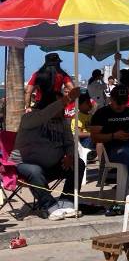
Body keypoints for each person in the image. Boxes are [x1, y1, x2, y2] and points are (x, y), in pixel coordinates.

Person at [11, 85, 83, 220]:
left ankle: (66, 202)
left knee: (78, 163)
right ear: (48, 105)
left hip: (53, 166)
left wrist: (70, 156)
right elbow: (45, 114)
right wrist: (68, 98)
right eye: (58, 104)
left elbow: (69, 143)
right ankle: (49, 206)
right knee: (34, 170)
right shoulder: (30, 118)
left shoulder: (63, 122)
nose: (62, 107)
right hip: (23, 165)